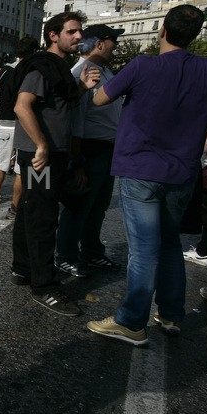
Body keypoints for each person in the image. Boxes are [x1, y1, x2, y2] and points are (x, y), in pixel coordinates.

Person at [86, 5, 207, 345]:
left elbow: (100, 100)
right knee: (171, 243)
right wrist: (197, 148)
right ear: (195, 35)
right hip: (182, 171)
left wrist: (89, 84)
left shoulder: (142, 65)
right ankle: (171, 314)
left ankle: (131, 322)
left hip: (140, 168)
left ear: (162, 31)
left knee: (143, 250)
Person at [9, 11, 100, 316]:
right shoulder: (43, 66)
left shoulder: (59, 68)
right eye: (72, 32)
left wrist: (84, 86)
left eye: (80, 32)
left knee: (29, 211)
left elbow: (61, 104)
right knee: (43, 216)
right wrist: (42, 144)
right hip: (41, 157)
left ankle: (24, 269)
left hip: (51, 154)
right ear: (53, 35)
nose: (79, 37)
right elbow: (22, 106)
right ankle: (44, 286)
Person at [54, 24, 126, 278]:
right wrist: (77, 161)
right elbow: (76, 120)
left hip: (107, 149)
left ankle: (92, 252)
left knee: (98, 206)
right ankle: (66, 255)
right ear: (99, 43)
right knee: (79, 205)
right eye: (112, 40)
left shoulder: (104, 71)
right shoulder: (80, 72)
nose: (115, 45)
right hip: (89, 149)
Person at [0, 37, 39, 219]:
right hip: (27, 124)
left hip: (6, 124)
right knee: (20, 170)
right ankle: (14, 207)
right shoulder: (35, 72)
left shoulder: (6, 72)